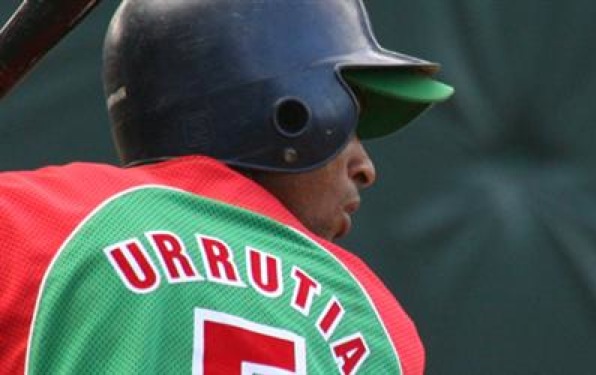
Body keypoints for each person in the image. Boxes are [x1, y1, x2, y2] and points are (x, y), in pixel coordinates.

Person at [0, 0, 453, 373]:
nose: (364, 167)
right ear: (293, 111)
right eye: (350, 124)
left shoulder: (38, 221)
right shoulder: (375, 323)